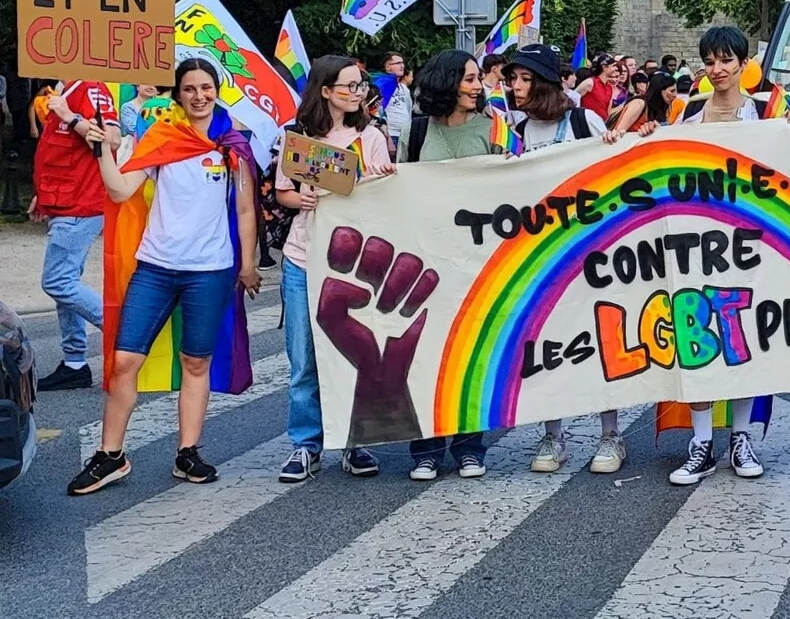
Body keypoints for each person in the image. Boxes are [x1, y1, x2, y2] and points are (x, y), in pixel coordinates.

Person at [68, 60, 262, 495]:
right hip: (155, 267)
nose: (198, 96)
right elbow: (120, 190)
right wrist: (101, 150)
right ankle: (110, 456)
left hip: (210, 270)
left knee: (196, 362)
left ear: (217, 90)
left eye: (206, 87)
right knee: (124, 362)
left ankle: (187, 452)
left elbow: (246, 210)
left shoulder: (232, 146)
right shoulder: (161, 137)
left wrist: (247, 264)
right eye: (189, 88)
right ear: (177, 94)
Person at [667, 26, 790, 487]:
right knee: (696, 336)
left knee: (744, 339)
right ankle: (701, 441)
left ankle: (740, 437)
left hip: (752, 245)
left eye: (726, 60)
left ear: (745, 63)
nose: (717, 69)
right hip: (694, 244)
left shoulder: (771, 110)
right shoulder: (685, 113)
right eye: (710, 61)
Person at [506, 44, 638, 473]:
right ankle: (553, 435)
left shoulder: (583, 120)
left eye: (524, 79)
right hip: (541, 256)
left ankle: (610, 435)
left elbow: (614, 180)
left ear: (543, 82)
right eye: (513, 79)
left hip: (591, 254)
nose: (515, 87)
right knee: (545, 343)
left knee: (603, 340)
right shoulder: (518, 129)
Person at [274, 55, 395, 484]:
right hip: (304, 257)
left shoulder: (372, 138)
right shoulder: (298, 137)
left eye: (360, 86)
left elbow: (386, 196)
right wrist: (298, 201)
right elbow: (283, 193)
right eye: (348, 86)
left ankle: (352, 441)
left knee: (352, 353)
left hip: (355, 264)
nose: (356, 92)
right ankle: (305, 445)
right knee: (304, 357)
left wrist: (384, 176)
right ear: (326, 91)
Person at [398, 50, 502, 479]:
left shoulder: (495, 125)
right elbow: (398, 190)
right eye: (470, 78)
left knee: (471, 352)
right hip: (426, 259)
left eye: (478, 79)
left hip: (478, 260)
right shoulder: (417, 130)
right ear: (446, 83)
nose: (478, 86)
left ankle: (469, 446)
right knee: (423, 354)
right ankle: (425, 448)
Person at [31, 81, 121, 392]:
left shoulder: (90, 87)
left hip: (81, 203)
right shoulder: (64, 87)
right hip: (65, 202)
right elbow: (59, 151)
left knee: (57, 281)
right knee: (65, 284)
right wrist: (42, 195)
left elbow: (112, 138)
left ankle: (122, 334)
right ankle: (74, 362)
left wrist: (70, 116)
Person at [611, 71, 677, 133]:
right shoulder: (638, 104)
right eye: (672, 91)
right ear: (659, 90)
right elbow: (618, 133)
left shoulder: (662, 108)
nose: (675, 95)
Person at [575, 52, 622, 122]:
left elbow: (607, 111)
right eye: (613, 66)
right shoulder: (590, 83)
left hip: (601, 125)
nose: (616, 68)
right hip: (587, 123)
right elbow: (572, 98)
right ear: (604, 67)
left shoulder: (609, 87)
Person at [380, 52, 413, 151]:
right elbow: (378, 112)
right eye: (398, 63)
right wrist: (387, 136)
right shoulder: (381, 86)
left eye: (402, 63)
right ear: (387, 67)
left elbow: (409, 109)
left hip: (406, 135)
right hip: (391, 136)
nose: (402, 66)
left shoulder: (403, 88)